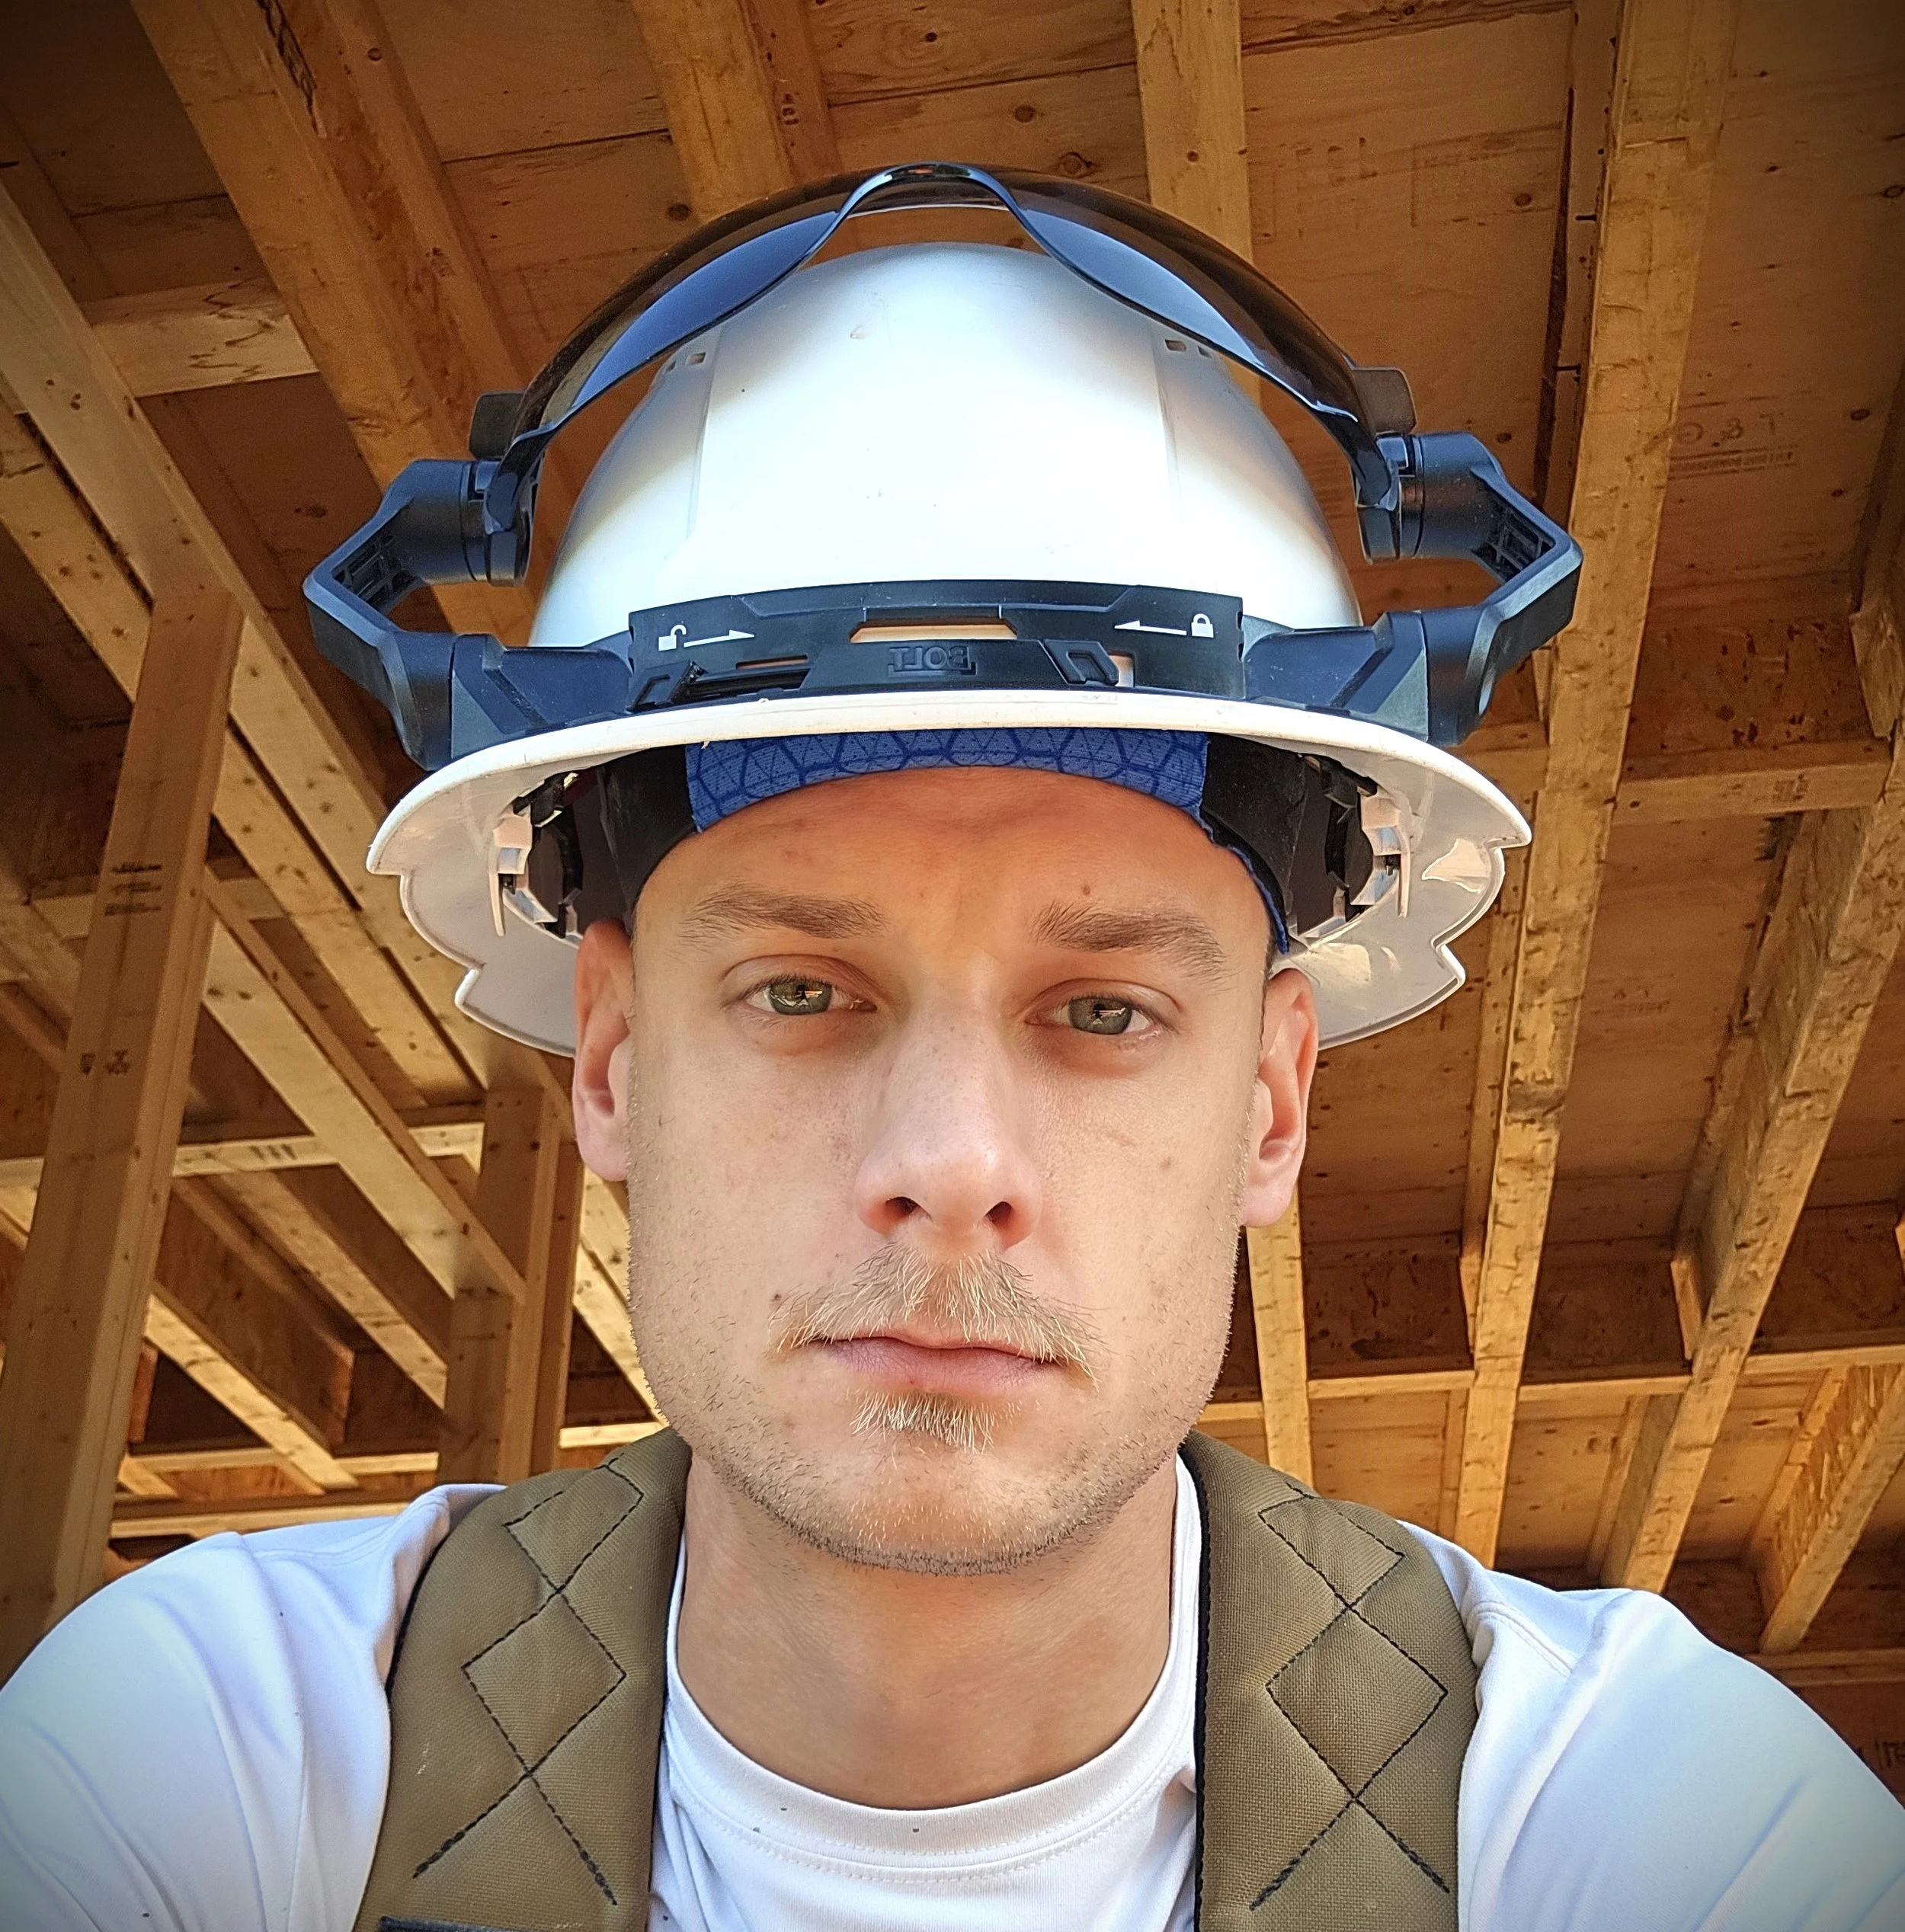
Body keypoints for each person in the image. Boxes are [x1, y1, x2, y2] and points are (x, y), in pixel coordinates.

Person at [2, 164, 1900, 1931]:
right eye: (801, 989)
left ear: (1266, 1100)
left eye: (1100, 1008)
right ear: (609, 1066)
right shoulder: (229, 1743)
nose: (950, 1154)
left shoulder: (1615, 1805)